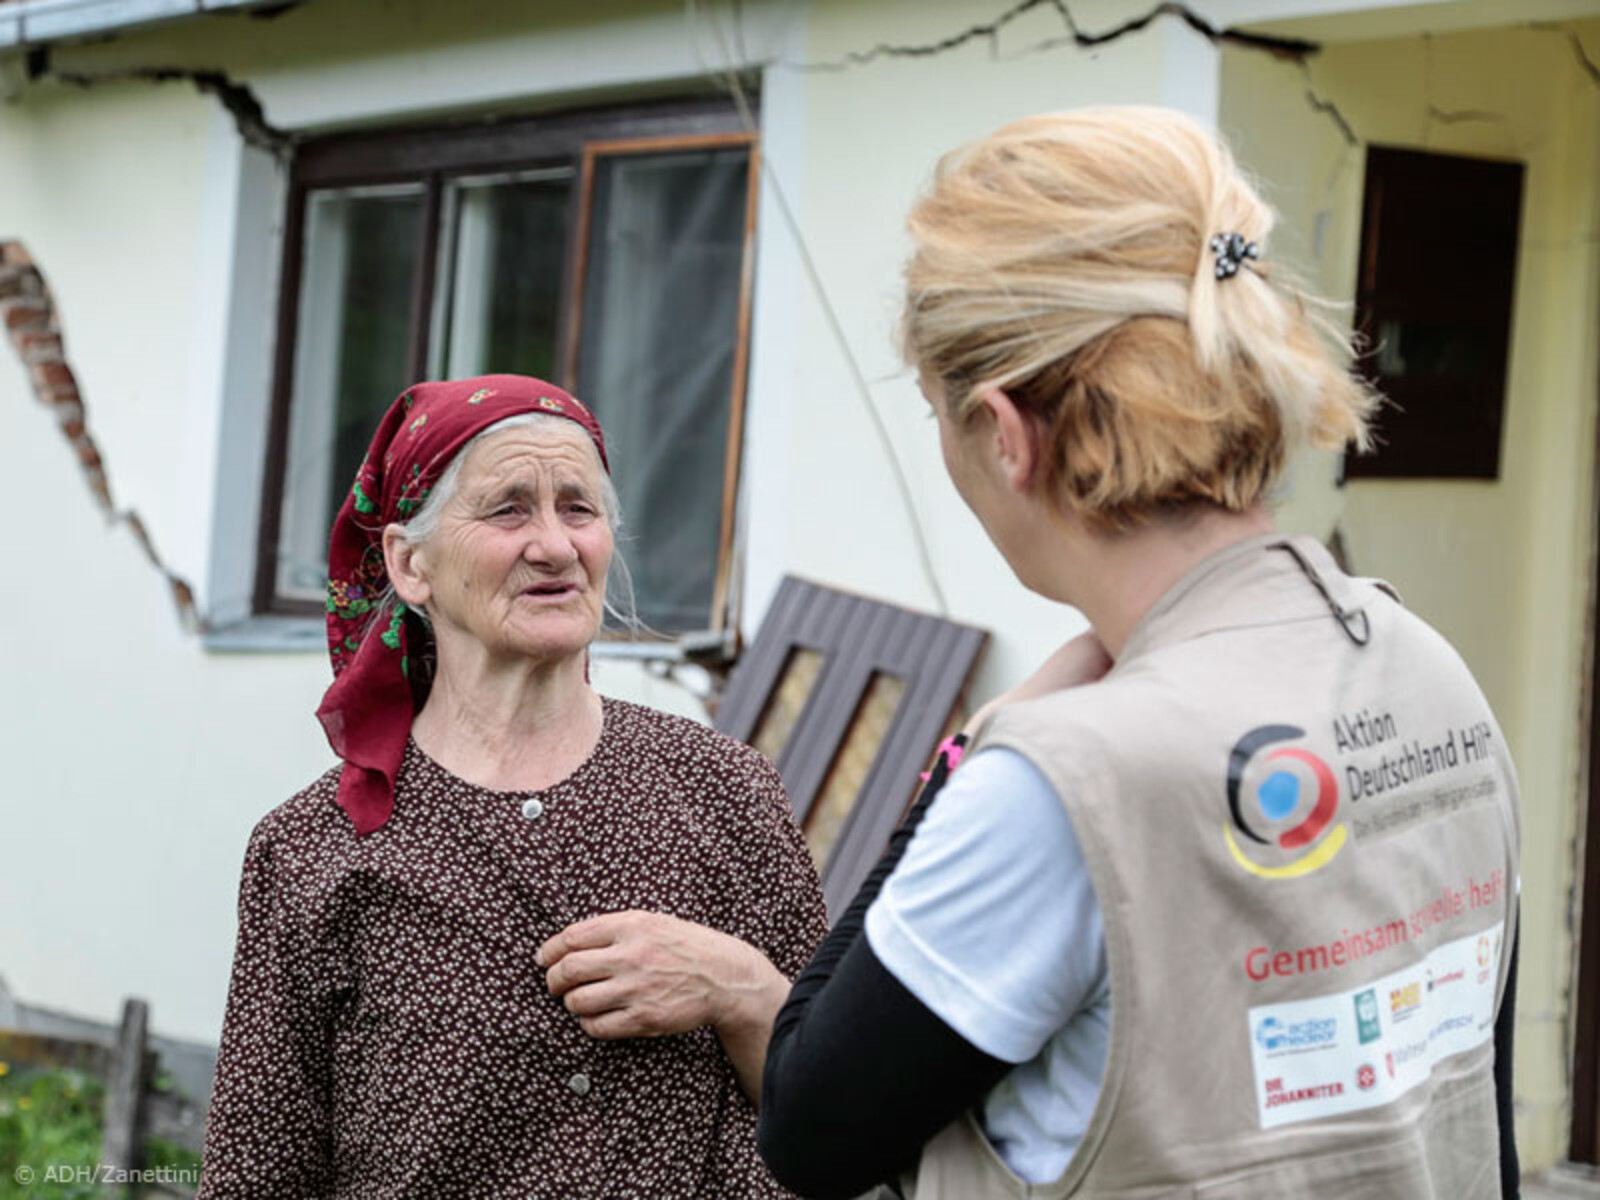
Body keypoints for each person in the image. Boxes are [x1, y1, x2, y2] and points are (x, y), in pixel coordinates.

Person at [757, 108, 1522, 1200]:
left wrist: (971, 757)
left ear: (1007, 435)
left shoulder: (1060, 781)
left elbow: (808, 1125)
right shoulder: (1423, 665)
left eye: (936, 414)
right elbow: (1474, 1104)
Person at [198, 375, 826, 1199]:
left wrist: (735, 986)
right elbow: (259, 1173)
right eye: (508, 509)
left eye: (579, 508)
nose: (556, 546)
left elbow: (844, 1108)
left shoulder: (722, 789)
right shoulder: (313, 853)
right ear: (409, 562)